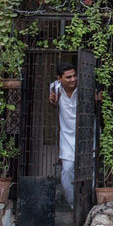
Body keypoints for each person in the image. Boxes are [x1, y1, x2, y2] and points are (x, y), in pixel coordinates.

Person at [50, 63, 78, 210]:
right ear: (59, 78)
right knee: (67, 171)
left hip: (85, 135)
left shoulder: (83, 86)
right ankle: (74, 206)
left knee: (88, 172)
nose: (73, 79)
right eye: (68, 77)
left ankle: (87, 206)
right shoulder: (55, 88)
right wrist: (53, 100)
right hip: (67, 137)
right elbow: (53, 102)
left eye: (74, 75)